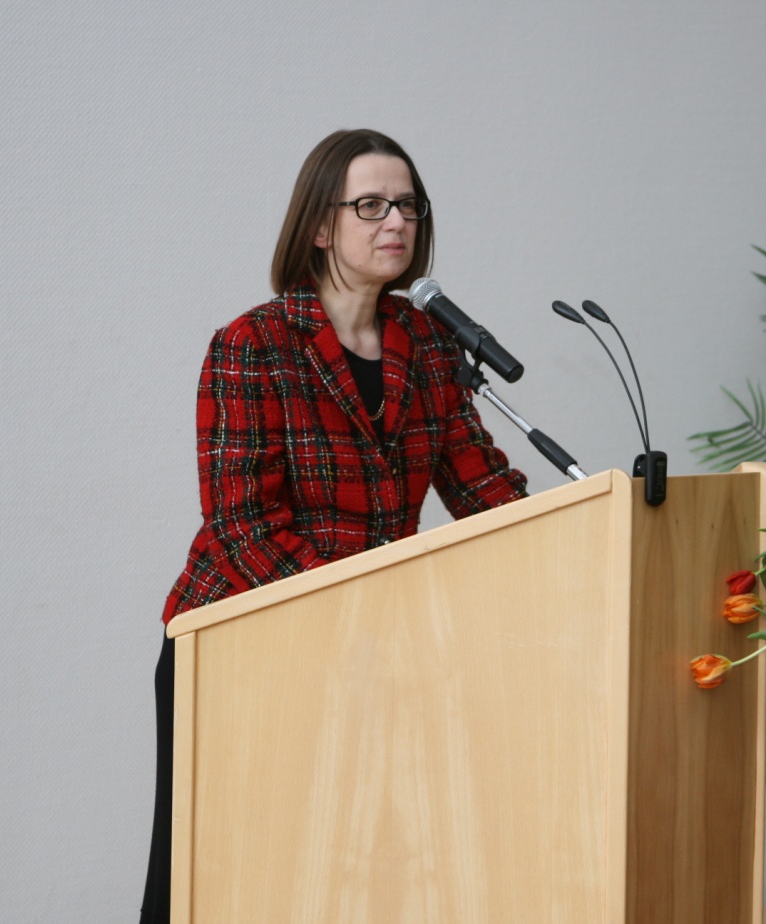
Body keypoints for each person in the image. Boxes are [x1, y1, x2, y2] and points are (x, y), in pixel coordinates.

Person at [140, 129, 528, 923]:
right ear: (320, 226)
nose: (396, 223)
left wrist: (571, 527)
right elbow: (243, 522)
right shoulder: (251, 345)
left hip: (374, 649)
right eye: (372, 205)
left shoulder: (426, 345)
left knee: (349, 879)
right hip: (240, 641)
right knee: (208, 878)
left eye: (408, 206)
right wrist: (366, 615)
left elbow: (478, 480)